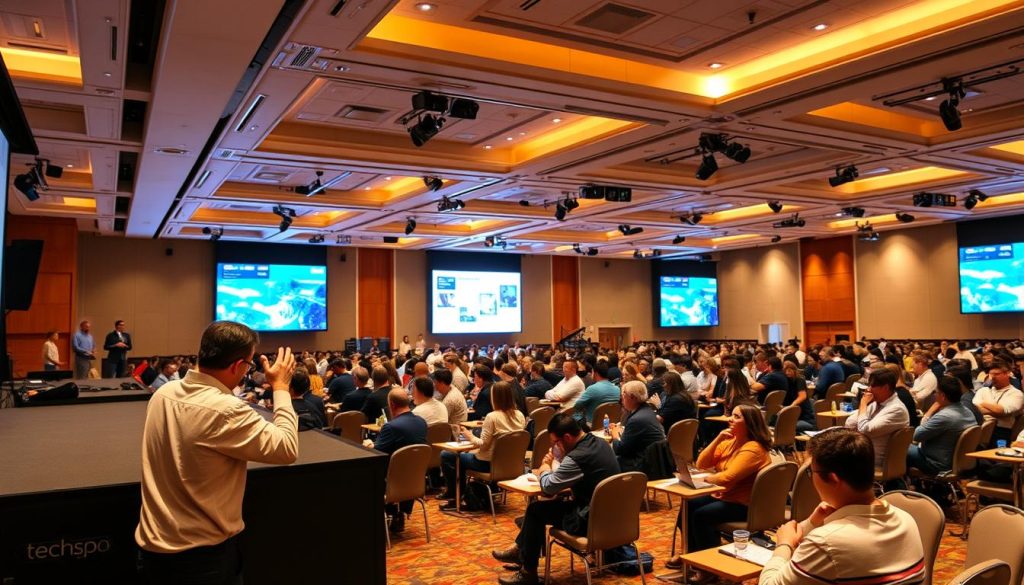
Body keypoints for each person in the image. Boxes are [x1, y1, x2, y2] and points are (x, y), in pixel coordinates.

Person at [136, 321, 298, 584]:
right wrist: (280, 387)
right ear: (237, 366)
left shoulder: (162, 394)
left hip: (153, 550)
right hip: (201, 559)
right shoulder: (227, 409)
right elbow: (287, 448)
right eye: (249, 365)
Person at [759, 428, 925, 585]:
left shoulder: (826, 543)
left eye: (810, 471)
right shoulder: (907, 519)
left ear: (833, 479)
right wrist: (811, 523)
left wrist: (784, 545)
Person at [491, 413, 620, 585]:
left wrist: (545, 468)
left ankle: (527, 571)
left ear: (567, 437)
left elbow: (548, 487)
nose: (554, 446)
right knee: (536, 513)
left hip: (590, 521)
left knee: (535, 512)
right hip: (614, 517)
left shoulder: (577, 457)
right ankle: (521, 551)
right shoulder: (601, 443)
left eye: (555, 442)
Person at [665, 403, 772, 574]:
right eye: (731, 415)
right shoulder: (731, 441)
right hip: (725, 495)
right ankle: (691, 555)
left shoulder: (753, 449)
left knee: (701, 515)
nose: (730, 419)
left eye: (737, 417)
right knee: (688, 505)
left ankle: (709, 568)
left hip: (744, 505)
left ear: (749, 423)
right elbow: (702, 463)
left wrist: (704, 479)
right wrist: (718, 439)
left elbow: (728, 477)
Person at [440, 381, 526, 510]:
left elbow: (483, 445)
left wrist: (469, 435)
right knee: (463, 456)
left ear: (494, 397)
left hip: (487, 463)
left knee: (447, 455)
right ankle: (468, 494)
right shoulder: (520, 415)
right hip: (511, 464)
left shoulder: (492, 417)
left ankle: (457, 495)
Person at [362, 389, 428, 533]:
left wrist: (369, 445)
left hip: (392, 482)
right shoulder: (422, 422)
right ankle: (399, 513)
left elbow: (376, 453)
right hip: (415, 480)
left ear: (391, 405)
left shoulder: (391, 427)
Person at [906, 375, 977, 475]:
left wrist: (928, 414)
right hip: (956, 462)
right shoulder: (968, 412)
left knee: (897, 447)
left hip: (936, 464)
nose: (935, 395)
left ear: (943, 396)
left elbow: (915, 435)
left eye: (936, 392)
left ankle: (897, 483)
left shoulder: (944, 416)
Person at [844, 368, 910, 469]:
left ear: (885, 388)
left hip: (873, 460)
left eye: (872, 386)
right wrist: (865, 407)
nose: (868, 389)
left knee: (828, 457)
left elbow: (864, 430)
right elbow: (850, 423)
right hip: (860, 453)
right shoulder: (876, 403)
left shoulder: (897, 409)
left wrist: (863, 404)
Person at [609, 380, 665, 472]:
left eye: (623, 396)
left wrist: (615, 434)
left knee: (607, 459)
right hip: (654, 460)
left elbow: (620, 450)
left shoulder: (636, 419)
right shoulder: (647, 410)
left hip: (643, 465)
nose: (621, 400)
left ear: (632, 397)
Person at [973, 361, 1024, 443]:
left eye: (996, 374)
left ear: (1007, 374)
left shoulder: (1016, 394)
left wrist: (982, 403)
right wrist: (996, 411)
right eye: (991, 374)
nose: (993, 377)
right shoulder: (983, 390)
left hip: (1002, 432)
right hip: (980, 427)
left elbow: (1002, 411)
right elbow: (974, 410)